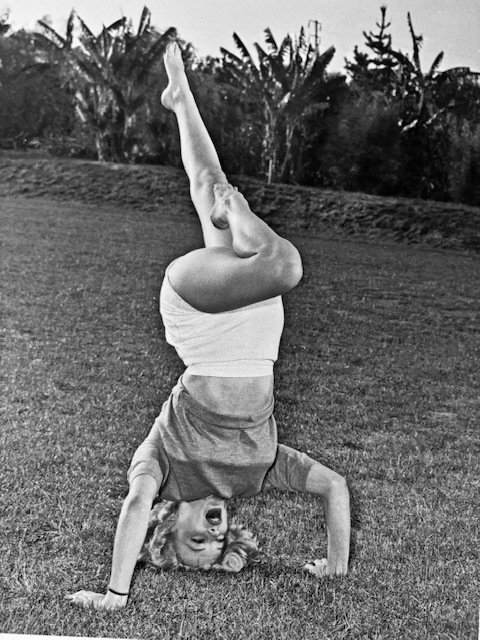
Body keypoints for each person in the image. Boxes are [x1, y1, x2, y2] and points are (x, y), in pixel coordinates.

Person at [67, 42, 350, 611]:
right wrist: (336, 567)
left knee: (284, 266)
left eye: (198, 540)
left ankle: (237, 211)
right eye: (220, 544)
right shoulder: (252, 476)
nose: (216, 533)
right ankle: (180, 98)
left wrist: (115, 594)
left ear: (165, 525)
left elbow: (134, 505)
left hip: (196, 316)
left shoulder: (160, 468)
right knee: (210, 184)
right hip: (253, 329)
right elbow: (334, 487)